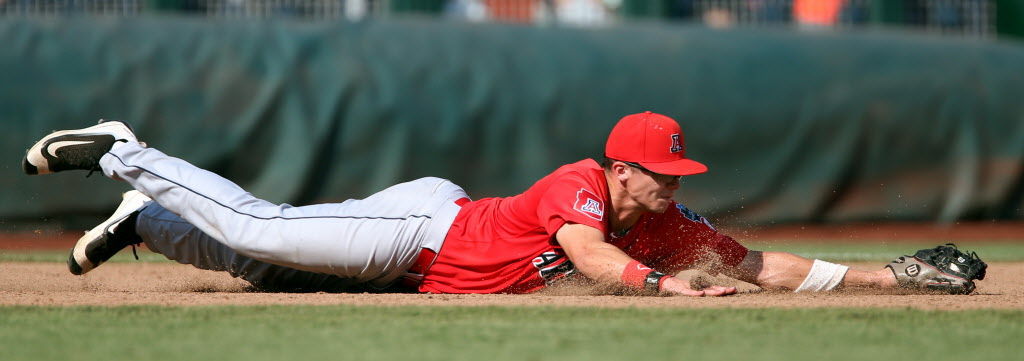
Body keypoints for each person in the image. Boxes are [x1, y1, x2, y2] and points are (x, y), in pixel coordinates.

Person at [21, 112, 986, 295]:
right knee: (262, 229)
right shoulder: (582, 184)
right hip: (421, 233)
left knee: (263, 268)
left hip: (432, 250)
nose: (672, 188)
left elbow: (756, 264)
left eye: (677, 180)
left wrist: (889, 273)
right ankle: (126, 151)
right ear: (624, 168)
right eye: (664, 176)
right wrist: (660, 289)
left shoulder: (657, 224)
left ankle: (145, 223)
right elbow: (590, 251)